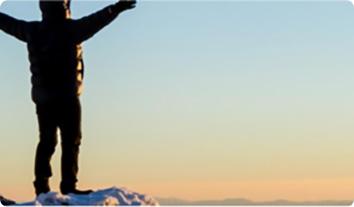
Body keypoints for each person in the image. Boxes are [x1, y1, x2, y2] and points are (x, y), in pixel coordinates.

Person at [0, 0, 136, 196]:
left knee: (47, 141)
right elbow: (97, 20)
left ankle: (41, 186)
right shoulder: (72, 29)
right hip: (67, 96)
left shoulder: (32, 30)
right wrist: (115, 8)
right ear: (65, 7)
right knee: (71, 141)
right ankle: (68, 185)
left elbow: (7, 23)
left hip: (44, 98)